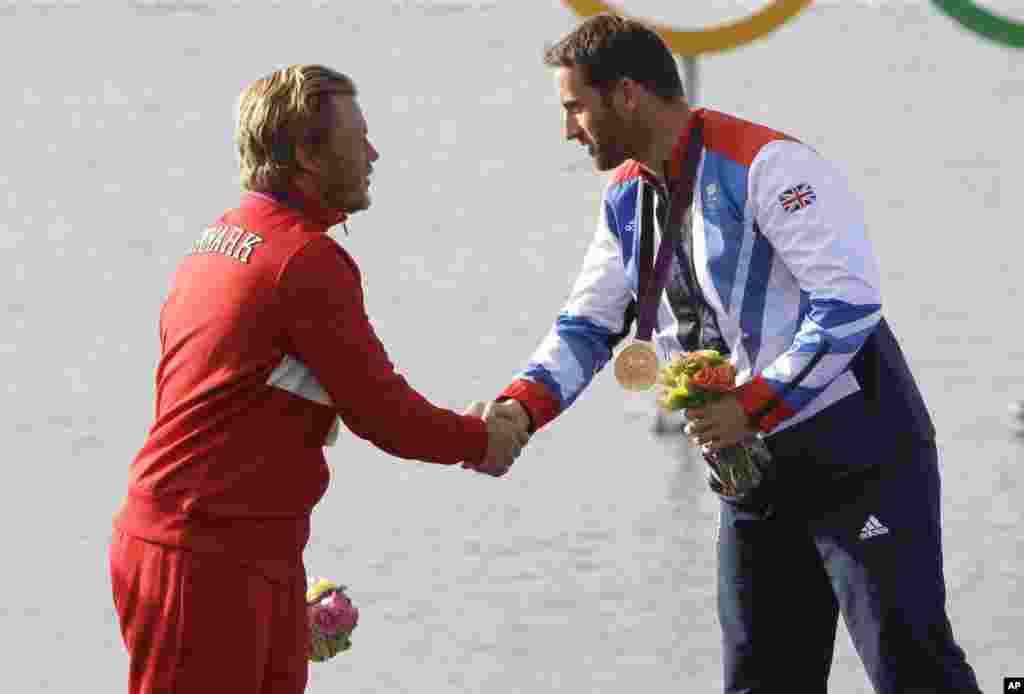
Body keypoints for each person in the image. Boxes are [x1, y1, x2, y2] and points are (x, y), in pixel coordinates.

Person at [472, 14, 982, 694]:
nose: (568, 129)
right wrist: (517, 410)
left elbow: (848, 307)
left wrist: (751, 404)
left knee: (910, 669)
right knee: (758, 682)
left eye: (575, 108)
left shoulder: (770, 166)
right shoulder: (626, 196)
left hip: (859, 457)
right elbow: (588, 326)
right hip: (754, 474)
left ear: (627, 95)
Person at [109, 64, 529, 694]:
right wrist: (479, 439)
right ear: (306, 154)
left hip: (223, 547)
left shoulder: (221, 237)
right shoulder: (305, 261)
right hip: (205, 557)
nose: (374, 152)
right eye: (358, 138)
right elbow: (383, 412)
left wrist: (274, 578)